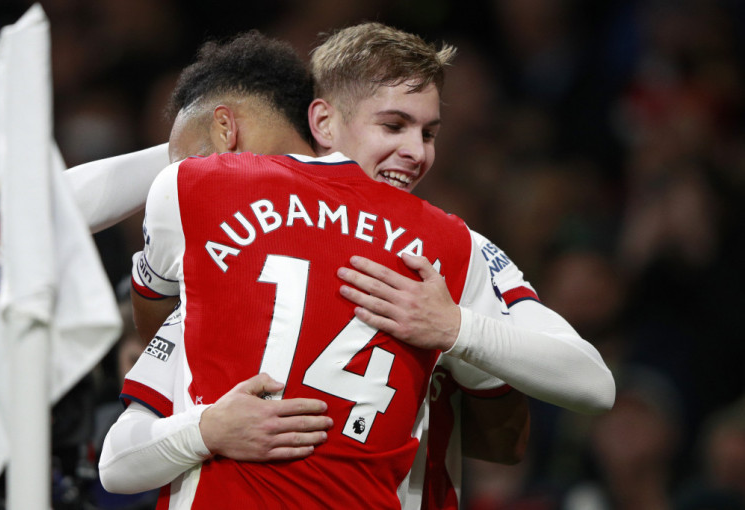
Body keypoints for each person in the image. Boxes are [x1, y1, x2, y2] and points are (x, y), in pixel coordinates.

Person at [72, 22, 614, 509]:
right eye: (394, 126)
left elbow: (540, 417)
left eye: (428, 133)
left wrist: (453, 328)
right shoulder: (451, 244)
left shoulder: (450, 247)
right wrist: (207, 429)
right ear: (323, 121)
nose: (417, 152)